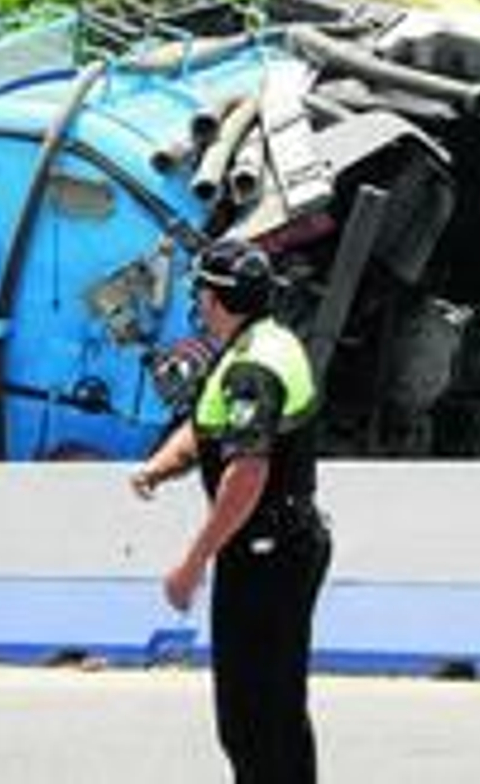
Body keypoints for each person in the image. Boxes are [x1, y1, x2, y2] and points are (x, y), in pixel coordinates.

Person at [131, 239, 331, 783]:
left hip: (267, 550)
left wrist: (194, 562)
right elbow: (208, 431)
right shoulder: (264, 341)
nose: (195, 301)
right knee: (274, 709)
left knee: (253, 715)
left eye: (200, 291)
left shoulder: (252, 367)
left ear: (217, 299)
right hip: (279, 543)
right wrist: (158, 467)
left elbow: (248, 471)